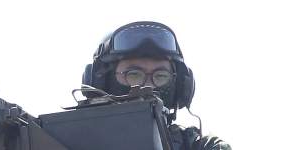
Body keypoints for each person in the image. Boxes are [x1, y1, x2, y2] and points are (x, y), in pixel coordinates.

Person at [81, 21, 232, 150]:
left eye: (160, 76)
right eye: (133, 74)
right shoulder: (70, 141)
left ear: (180, 87)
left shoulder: (197, 146)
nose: (148, 86)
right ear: (101, 82)